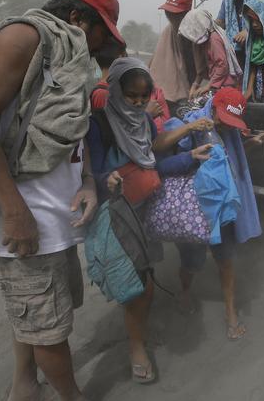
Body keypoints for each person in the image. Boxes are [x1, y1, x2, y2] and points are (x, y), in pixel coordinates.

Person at [0, 0, 124, 401]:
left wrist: (84, 183)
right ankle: (71, 399)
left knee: (41, 312)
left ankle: (24, 386)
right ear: (78, 18)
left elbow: (68, 137)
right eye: (101, 33)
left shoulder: (60, 51)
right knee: (47, 325)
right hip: (26, 217)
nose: (99, 46)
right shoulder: (24, 36)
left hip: (53, 216)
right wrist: (14, 212)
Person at [86, 57, 214, 384]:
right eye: (132, 96)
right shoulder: (99, 126)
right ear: (115, 91)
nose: (140, 102)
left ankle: (139, 334)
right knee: (136, 288)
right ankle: (136, 347)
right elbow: (91, 172)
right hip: (119, 217)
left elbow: (151, 163)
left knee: (146, 280)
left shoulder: (142, 123)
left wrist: (188, 157)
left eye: (145, 97)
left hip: (146, 211)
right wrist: (106, 181)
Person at [168, 87, 264, 340]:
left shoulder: (228, 130)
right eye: (222, 120)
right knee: (191, 262)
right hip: (194, 208)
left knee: (225, 261)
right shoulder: (191, 124)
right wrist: (190, 147)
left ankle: (230, 313)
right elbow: (167, 154)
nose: (226, 127)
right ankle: (184, 293)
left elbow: (224, 157)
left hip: (221, 206)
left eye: (231, 123)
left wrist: (250, 144)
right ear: (213, 108)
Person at [91, 48, 171, 132]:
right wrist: (147, 114)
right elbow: (113, 132)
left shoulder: (117, 89)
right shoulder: (103, 93)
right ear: (121, 58)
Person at [150, 0, 206, 106]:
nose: (171, 16)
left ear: (186, 13)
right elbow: (155, 59)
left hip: (185, 92)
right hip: (160, 92)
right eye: (168, 12)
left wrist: (195, 86)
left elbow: (198, 67)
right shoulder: (168, 31)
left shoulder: (194, 32)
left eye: (175, 13)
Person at [178, 8, 243, 99]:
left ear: (199, 26)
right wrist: (195, 85)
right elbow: (202, 68)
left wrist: (208, 86)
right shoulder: (205, 41)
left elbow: (222, 65)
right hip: (218, 84)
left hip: (225, 85)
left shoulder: (214, 39)